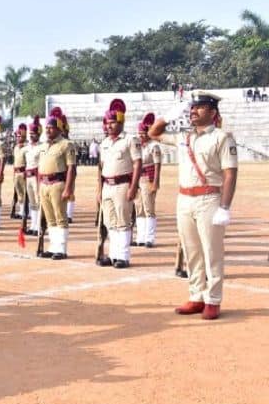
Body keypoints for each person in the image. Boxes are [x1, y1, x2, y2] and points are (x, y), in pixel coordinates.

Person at [149, 90, 238, 320]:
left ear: (212, 112)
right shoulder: (184, 137)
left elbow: (230, 174)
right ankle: (196, 295)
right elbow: (153, 132)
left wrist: (225, 207)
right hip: (185, 199)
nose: (193, 111)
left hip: (209, 199)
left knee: (212, 252)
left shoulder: (222, 137)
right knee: (192, 251)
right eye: (192, 107)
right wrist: (168, 116)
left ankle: (213, 300)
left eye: (199, 107)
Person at [96, 99, 142, 269]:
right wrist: (99, 190)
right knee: (110, 222)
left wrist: (133, 187)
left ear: (121, 122)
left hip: (123, 185)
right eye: (107, 123)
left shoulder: (130, 140)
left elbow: (138, 163)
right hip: (107, 186)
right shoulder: (105, 143)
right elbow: (100, 169)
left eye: (113, 122)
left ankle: (122, 256)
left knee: (123, 221)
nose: (109, 126)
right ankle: (113, 254)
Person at [37, 108, 76, 259]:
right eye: (46, 127)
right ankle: (53, 247)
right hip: (44, 184)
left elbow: (71, 168)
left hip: (58, 183)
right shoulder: (44, 145)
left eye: (51, 127)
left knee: (60, 217)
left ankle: (61, 249)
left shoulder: (66, 144)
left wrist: (68, 188)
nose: (48, 130)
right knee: (50, 218)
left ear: (59, 128)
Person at [135, 113, 162, 248]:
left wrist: (155, 182)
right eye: (139, 133)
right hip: (138, 178)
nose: (141, 136)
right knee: (139, 207)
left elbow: (157, 165)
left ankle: (150, 237)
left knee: (149, 208)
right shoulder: (137, 146)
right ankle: (141, 236)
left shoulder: (153, 146)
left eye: (143, 133)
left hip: (148, 178)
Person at [24, 116, 42, 235]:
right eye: (30, 133)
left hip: (37, 176)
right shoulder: (28, 147)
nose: (31, 135)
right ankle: (33, 224)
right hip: (28, 176)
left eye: (33, 133)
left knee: (38, 201)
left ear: (38, 134)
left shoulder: (41, 147)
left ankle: (39, 225)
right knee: (32, 203)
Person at [11, 123, 28, 219]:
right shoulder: (16, 148)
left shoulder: (27, 148)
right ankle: (22, 211)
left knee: (26, 193)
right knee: (19, 193)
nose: (18, 138)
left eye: (20, 136)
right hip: (17, 172)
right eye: (17, 136)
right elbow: (15, 162)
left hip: (24, 172)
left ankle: (27, 211)